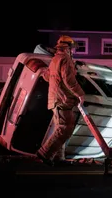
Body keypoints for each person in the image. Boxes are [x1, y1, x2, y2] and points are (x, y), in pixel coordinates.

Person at [36, 35, 85, 166]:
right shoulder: (65, 59)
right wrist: (80, 94)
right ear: (67, 48)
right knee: (65, 129)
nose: (73, 51)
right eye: (72, 48)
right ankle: (44, 153)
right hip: (62, 99)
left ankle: (59, 158)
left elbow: (47, 77)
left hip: (56, 100)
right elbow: (68, 80)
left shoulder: (55, 60)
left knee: (61, 129)